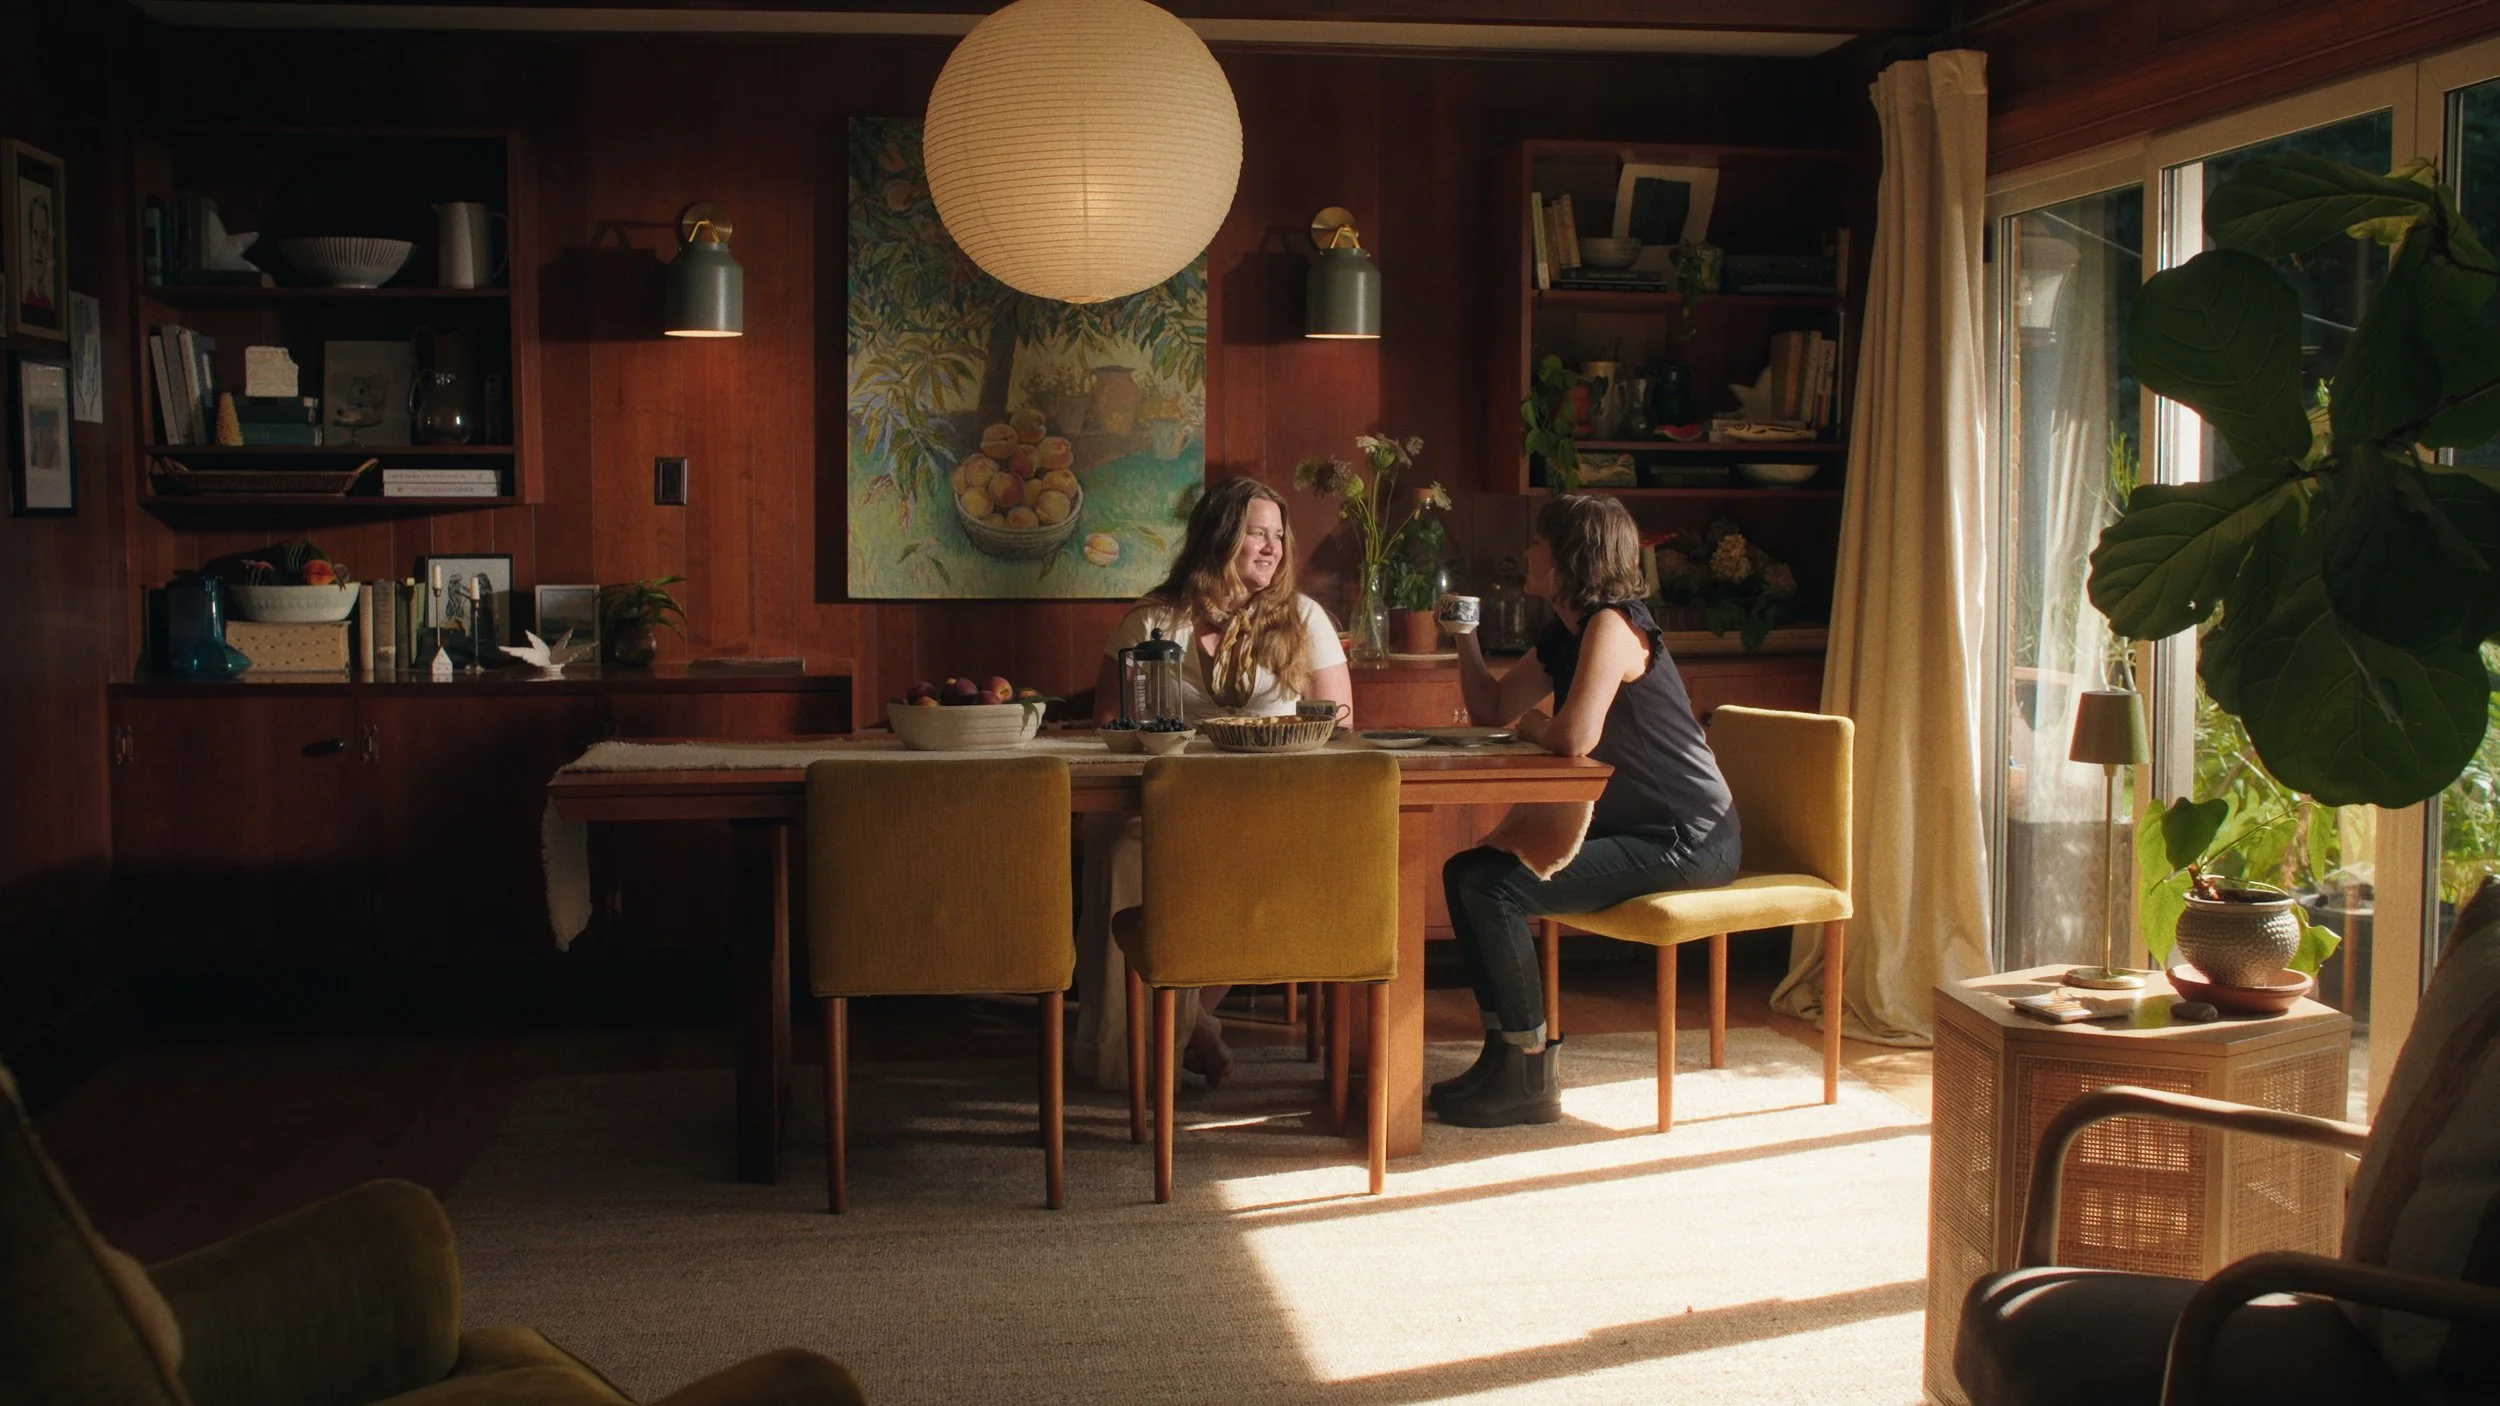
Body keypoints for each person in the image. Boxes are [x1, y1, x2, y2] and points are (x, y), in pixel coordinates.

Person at [1435, 493, 1741, 1127]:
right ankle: (1503, 1057)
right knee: (1465, 873)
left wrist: (1532, 726)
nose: (1527, 553)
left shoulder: (1612, 626)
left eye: (1538, 543)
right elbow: (1493, 709)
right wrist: (1465, 640)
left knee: (1491, 887)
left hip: (1687, 839)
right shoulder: (1568, 631)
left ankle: (1528, 1072)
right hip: (1642, 831)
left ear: (1570, 557)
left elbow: (1574, 737)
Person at [1072, 475, 1354, 1090]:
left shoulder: (1304, 618)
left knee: (1259, 858)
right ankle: (1125, 1059)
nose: (1272, 548)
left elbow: (1339, 725)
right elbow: (1106, 722)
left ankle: (1187, 1019)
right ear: (1219, 536)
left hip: (1269, 807)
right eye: (1256, 533)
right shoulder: (1154, 619)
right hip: (1165, 804)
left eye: (1278, 535)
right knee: (1118, 849)